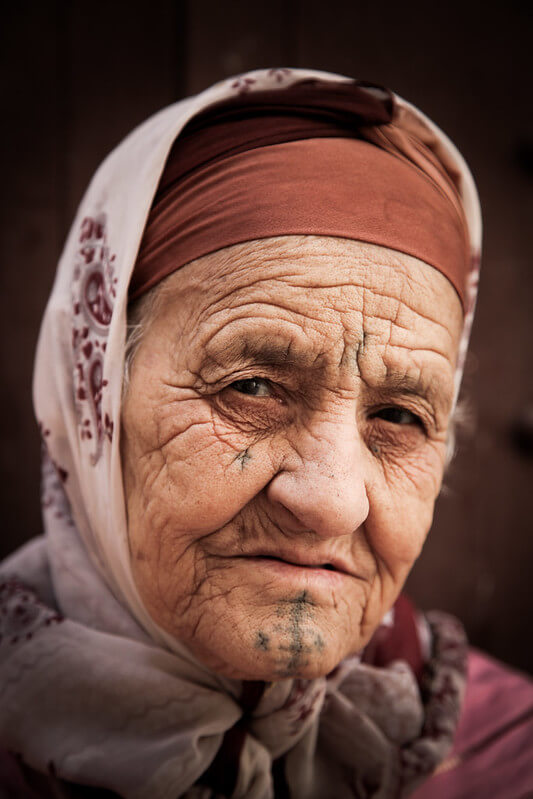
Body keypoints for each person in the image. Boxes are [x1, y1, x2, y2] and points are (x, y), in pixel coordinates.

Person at [0, 68, 531, 799]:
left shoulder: (503, 752)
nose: (332, 502)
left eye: (398, 416)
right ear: (92, 406)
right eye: (250, 386)